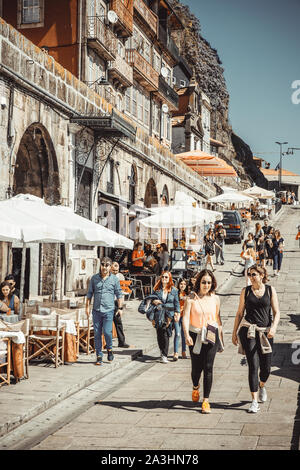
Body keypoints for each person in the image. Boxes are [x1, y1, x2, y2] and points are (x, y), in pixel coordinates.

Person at [232, 265, 280, 413]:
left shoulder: (270, 290)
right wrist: (234, 333)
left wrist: (274, 327)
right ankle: (254, 401)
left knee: (266, 367)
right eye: (249, 275)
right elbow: (240, 313)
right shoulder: (245, 291)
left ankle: (262, 385)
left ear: (261, 274)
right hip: (249, 331)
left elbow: (277, 312)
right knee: (253, 365)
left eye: (253, 274)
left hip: (266, 332)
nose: (251, 277)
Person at [182, 270, 223, 414]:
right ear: (199, 282)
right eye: (204, 282)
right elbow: (185, 318)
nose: (206, 285)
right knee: (196, 368)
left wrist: (221, 340)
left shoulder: (215, 299)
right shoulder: (191, 299)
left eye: (209, 282)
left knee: (209, 367)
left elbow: (218, 319)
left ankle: (206, 401)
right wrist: (187, 335)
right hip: (195, 334)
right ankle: (195, 386)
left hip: (211, 334)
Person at [86, 257, 124, 365]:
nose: (104, 267)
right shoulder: (94, 278)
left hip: (108, 310)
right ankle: (99, 356)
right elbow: (89, 294)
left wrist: (120, 308)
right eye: (102, 265)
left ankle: (110, 349)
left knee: (107, 332)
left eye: (107, 265)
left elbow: (119, 294)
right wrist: (87, 307)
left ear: (110, 266)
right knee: (97, 333)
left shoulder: (114, 280)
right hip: (96, 310)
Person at [152, 271, 180, 363]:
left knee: (166, 334)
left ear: (169, 279)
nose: (164, 279)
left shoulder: (174, 290)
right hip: (158, 314)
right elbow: (151, 300)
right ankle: (162, 351)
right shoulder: (156, 289)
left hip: (169, 315)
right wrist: (154, 302)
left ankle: (164, 354)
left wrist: (177, 313)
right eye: (163, 277)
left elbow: (176, 303)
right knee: (159, 334)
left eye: (166, 277)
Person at [111, 262, 130, 349]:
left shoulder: (120, 276)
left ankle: (121, 341)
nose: (115, 272)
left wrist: (121, 306)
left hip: (116, 301)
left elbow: (122, 290)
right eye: (114, 270)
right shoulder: (107, 277)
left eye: (117, 270)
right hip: (108, 301)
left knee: (118, 322)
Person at [175, 278, 189, 360]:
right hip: (177, 315)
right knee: (177, 334)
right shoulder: (176, 293)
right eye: (181, 284)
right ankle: (175, 352)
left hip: (184, 316)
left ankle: (183, 351)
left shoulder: (187, 294)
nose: (182, 285)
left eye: (184, 284)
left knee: (184, 335)